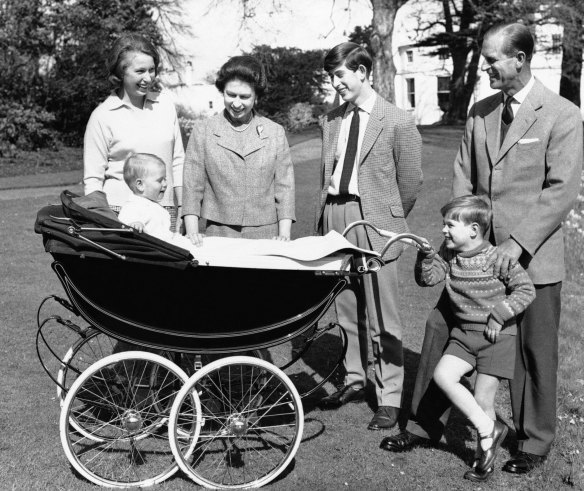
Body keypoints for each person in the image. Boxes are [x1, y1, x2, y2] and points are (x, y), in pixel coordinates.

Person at [381, 23, 583, 476]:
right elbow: (463, 176)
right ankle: (426, 423)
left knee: (532, 350)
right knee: (441, 326)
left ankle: (533, 442)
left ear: (521, 59)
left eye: (493, 60)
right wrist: (460, 235)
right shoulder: (480, 111)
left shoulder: (562, 114)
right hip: (473, 256)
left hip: (532, 259)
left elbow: (560, 190)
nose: (486, 68)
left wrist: (515, 245)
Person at [315, 42, 423, 430]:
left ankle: (390, 395)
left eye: (340, 75)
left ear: (362, 72)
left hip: (374, 219)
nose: (334, 83)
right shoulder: (330, 120)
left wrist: (388, 219)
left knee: (383, 313)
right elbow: (326, 173)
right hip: (336, 215)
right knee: (346, 306)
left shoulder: (397, 120)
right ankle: (355, 379)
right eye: (330, 76)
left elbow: (410, 181)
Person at [415, 195, 535, 482]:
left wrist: (499, 314)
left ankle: (484, 460)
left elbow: (526, 290)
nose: (443, 230)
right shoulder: (448, 254)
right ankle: (488, 429)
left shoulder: (497, 258)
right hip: (464, 335)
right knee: (443, 376)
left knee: (483, 398)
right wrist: (425, 257)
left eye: (449, 225)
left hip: (497, 337)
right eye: (444, 224)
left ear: (473, 230)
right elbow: (428, 279)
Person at [182, 56, 295, 244]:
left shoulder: (274, 132)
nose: (236, 103)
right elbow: (192, 186)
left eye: (244, 97)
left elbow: (285, 187)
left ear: (256, 96)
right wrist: (192, 233)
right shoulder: (203, 130)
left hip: (267, 233)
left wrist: (284, 234)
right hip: (217, 232)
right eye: (231, 94)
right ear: (222, 92)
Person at [84, 33, 184, 231]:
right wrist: (103, 221)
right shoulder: (102, 116)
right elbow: (93, 180)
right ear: (120, 73)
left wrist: (183, 207)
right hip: (120, 213)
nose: (148, 78)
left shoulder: (165, 105)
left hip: (165, 211)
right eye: (140, 71)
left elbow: (178, 160)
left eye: (152, 70)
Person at [118, 153, 190, 246]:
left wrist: (183, 239)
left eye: (165, 179)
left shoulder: (159, 208)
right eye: (160, 180)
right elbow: (124, 228)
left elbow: (166, 237)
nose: (165, 184)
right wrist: (134, 225)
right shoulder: (132, 207)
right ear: (140, 185)